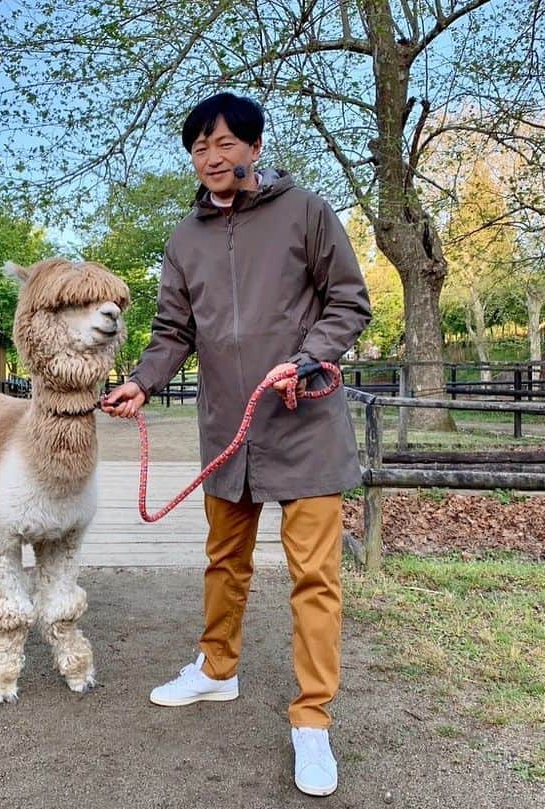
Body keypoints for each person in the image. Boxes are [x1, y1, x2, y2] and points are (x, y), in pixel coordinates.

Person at [102, 92, 371, 797]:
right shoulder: (184, 238)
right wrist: (142, 382)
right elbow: (173, 332)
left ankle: (311, 718)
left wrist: (309, 356)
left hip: (305, 418)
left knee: (315, 575)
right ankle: (216, 668)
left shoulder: (306, 211)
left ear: (253, 145)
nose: (213, 156)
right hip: (230, 426)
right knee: (224, 559)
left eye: (225, 143)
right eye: (199, 147)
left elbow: (348, 300)